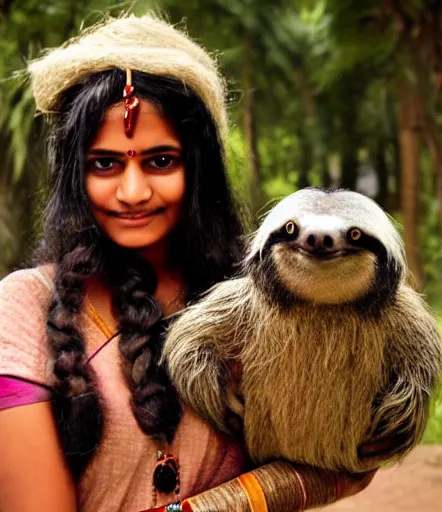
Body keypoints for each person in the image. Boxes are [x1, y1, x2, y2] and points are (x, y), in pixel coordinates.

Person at [0, 15, 376, 512]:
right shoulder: (22, 308)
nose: (132, 193)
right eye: (105, 164)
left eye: (160, 161)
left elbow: (348, 457)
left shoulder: (263, 296)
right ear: (75, 177)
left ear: (198, 170)